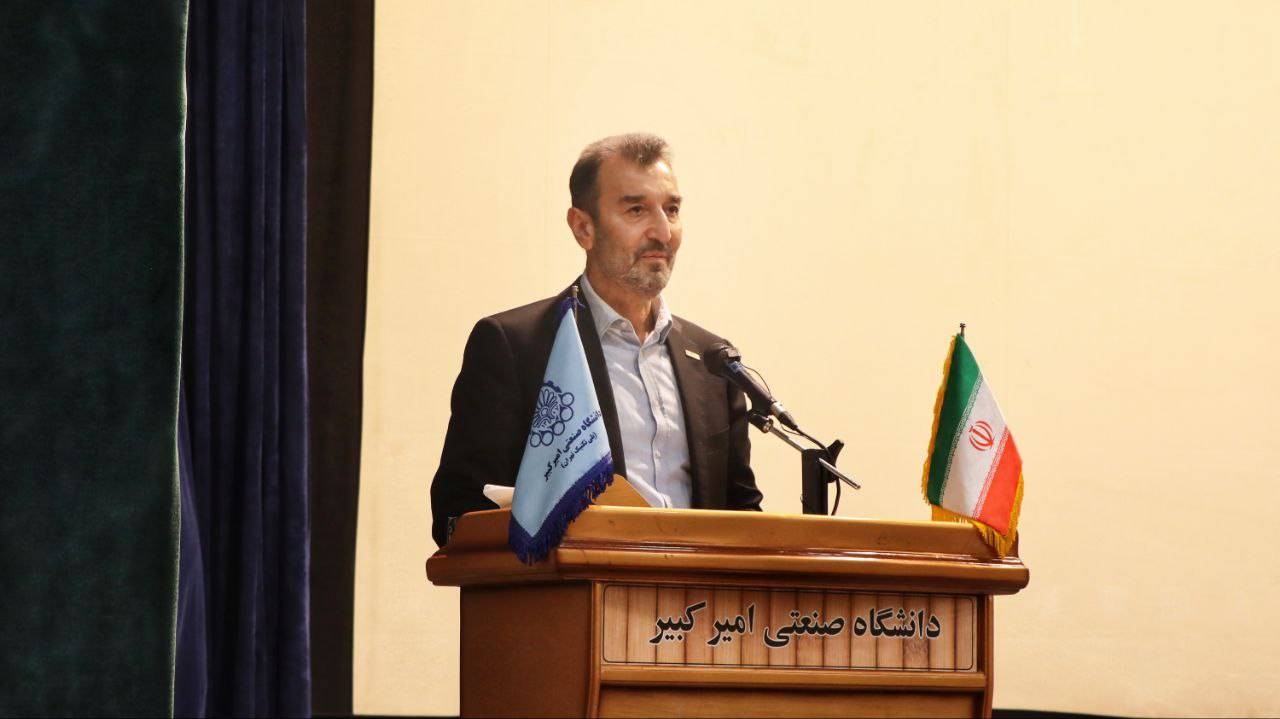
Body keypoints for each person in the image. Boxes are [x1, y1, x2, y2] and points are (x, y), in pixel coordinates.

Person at [430, 133, 763, 548]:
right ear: (583, 228)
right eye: (637, 210)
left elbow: (742, 514)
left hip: (692, 589)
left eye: (672, 210)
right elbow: (458, 513)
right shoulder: (517, 348)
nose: (663, 232)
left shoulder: (713, 362)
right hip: (572, 585)